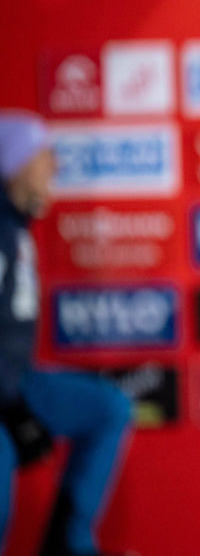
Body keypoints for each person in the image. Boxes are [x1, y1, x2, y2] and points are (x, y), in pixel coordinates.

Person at [0, 110, 133, 556]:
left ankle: (68, 544)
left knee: (107, 408)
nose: (55, 167)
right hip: (5, 395)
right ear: (14, 164)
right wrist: (13, 408)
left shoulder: (14, 229)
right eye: (44, 157)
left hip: (14, 384)